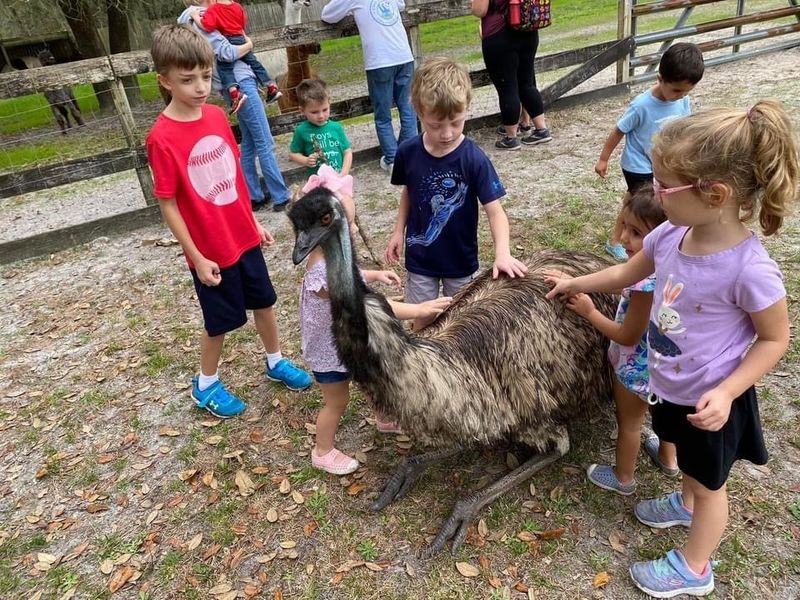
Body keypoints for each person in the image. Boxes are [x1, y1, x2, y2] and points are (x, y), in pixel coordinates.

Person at [546, 100, 796, 598]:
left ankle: (695, 566)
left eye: (664, 185)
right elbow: (625, 274)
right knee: (689, 471)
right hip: (668, 385)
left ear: (715, 194)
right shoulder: (671, 232)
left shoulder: (749, 270)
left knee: (710, 486)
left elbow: (775, 338)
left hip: (711, 402)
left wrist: (727, 392)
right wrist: (577, 280)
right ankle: (683, 503)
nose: (654, 192)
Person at [146, 25, 312, 419]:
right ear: (165, 81)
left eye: (206, 75)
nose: (201, 86)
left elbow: (233, 178)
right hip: (210, 250)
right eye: (188, 80)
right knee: (220, 322)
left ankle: (275, 361)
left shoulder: (219, 117)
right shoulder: (161, 137)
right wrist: (196, 256)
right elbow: (168, 204)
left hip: (242, 237)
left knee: (265, 301)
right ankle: (205, 384)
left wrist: (252, 223)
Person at [298, 183, 451, 474]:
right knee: (336, 401)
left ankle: (383, 417)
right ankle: (323, 451)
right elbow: (367, 304)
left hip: (351, 342)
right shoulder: (322, 275)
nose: (354, 232)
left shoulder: (332, 259)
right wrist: (418, 309)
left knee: (369, 378)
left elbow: (354, 275)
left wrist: (375, 274)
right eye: (348, 227)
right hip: (330, 352)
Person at [544, 186, 678, 496]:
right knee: (664, 413)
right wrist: (576, 279)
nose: (624, 239)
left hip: (637, 368)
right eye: (625, 228)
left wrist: (590, 312)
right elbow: (624, 283)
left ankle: (623, 477)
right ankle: (669, 459)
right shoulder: (668, 269)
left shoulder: (645, 283)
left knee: (630, 424)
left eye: (636, 232)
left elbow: (626, 335)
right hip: (666, 367)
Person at [384, 57, 528, 330]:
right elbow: (409, 192)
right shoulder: (408, 152)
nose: (447, 133)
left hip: (461, 262)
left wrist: (503, 253)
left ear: (466, 109)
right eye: (436, 125)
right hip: (420, 260)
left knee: (460, 324)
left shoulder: (475, 159)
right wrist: (397, 231)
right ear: (418, 110)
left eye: (456, 123)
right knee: (422, 322)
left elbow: (495, 212)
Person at [179, 0, 292, 212]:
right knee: (265, 141)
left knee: (249, 142)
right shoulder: (202, 18)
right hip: (241, 84)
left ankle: (254, 195)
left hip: (233, 85)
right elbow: (226, 52)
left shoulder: (192, 20)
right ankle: (281, 196)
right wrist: (249, 45)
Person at [595, 42, 704, 261]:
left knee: (645, 200)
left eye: (686, 91)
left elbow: (684, 127)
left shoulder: (683, 100)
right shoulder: (642, 105)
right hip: (637, 164)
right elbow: (618, 131)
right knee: (640, 204)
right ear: (659, 78)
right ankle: (617, 240)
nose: (680, 96)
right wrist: (603, 159)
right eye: (676, 90)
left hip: (661, 163)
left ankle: (654, 239)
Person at [320, 0, 417, 174]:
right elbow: (401, 5)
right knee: (408, 108)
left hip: (379, 61)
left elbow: (328, 15)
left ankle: (393, 160)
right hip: (403, 55)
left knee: (382, 115)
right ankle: (409, 155)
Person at [471, 0, 552, 150]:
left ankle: (511, 137)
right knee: (527, 83)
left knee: (507, 87)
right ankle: (541, 129)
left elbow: (480, 10)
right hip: (528, 30)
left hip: (499, 34)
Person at [187, 0, 281, 112]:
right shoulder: (238, 7)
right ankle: (271, 86)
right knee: (254, 63)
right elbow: (242, 23)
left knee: (224, 68)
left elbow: (207, 26)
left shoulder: (215, 8)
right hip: (241, 39)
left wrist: (195, 16)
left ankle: (235, 95)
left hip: (229, 40)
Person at [288, 79, 353, 179]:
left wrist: (344, 173)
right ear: (302, 110)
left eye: (325, 110)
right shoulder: (301, 131)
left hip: (339, 178)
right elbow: (293, 154)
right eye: (314, 112)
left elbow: (347, 152)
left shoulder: (336, 127)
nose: (321, 116)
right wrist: (305, 160)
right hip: (318, 181)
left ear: (329, 104)